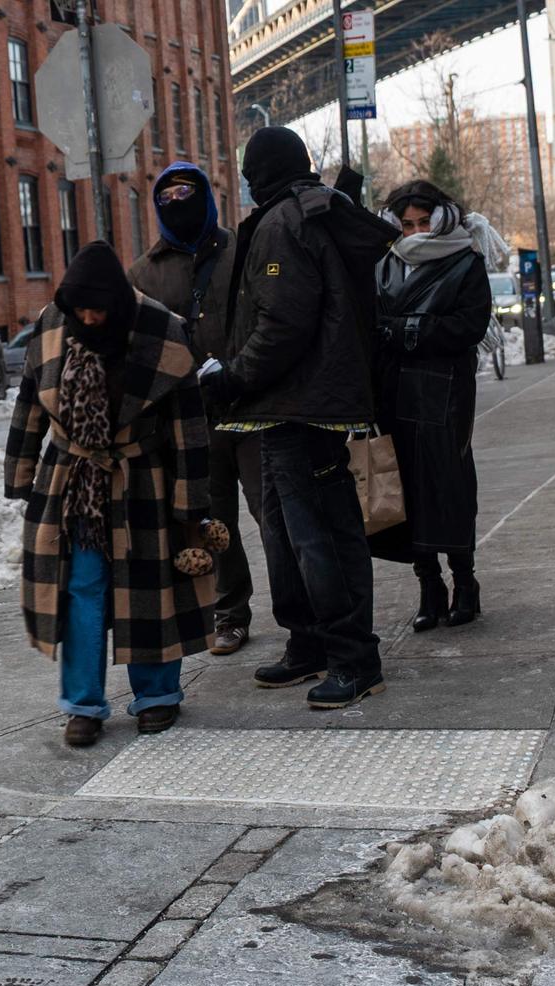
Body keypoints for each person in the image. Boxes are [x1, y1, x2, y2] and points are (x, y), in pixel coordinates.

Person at [203, 126, 399, 710]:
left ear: (264, 172)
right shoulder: (303, 212)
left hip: (299, 407)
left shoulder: (284, 223)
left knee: (320, 538)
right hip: (288, 407)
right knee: (290, 534)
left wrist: (234, 375)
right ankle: (309, 643)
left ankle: (353, 658)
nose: (243, 181)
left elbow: (284, 323)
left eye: (248, 170)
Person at [5, 240, 221, 747]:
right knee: (82, 591)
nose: (87, 316)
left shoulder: (162, 330)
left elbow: (189, 428)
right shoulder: (52, 326)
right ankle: (83, 704)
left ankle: (157, 696)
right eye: (79, 308)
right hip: (73, 484)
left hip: (143, 479)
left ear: (118, 304)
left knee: (149, 586)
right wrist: (20, 475)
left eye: (96, 308)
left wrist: (192, 506)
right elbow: (29, 405)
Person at [129, 163, 258, 657]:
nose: (177, 201)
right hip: (192, 422)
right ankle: (229, 615)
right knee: (212, 524)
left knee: (275, 514)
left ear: (206, 195)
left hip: (251, 404)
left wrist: (240, 366)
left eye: (187, 192)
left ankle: (302, 612)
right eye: (167, 195)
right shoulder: (143, 273)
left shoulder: (239, 252)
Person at [373, 180, 500, 630]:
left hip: (444, 392)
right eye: (407, 224)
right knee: (405, 488)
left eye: (424, 222)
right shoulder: (385, 264)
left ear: (443, 217)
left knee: (449, 482)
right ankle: (430, 586)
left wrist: (406, 330)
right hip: (392, 392)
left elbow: (469, 324)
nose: (416, 232)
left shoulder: (465, 261)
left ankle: (465, 582)